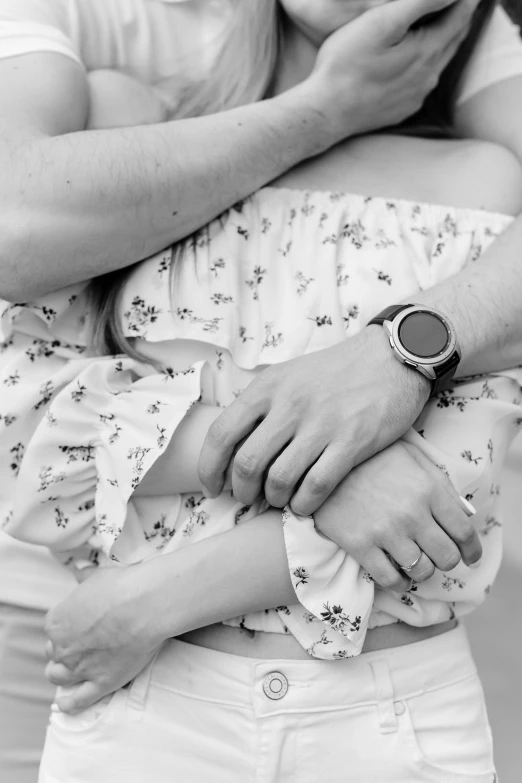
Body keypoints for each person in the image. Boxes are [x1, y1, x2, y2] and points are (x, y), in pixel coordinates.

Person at [4, 1, 522, 780]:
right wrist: (335, 464)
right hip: (148, 717)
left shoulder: (482, 179)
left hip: (384, 720)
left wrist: (153, 598)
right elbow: (36, 424)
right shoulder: (123, 129)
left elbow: (447, 502)